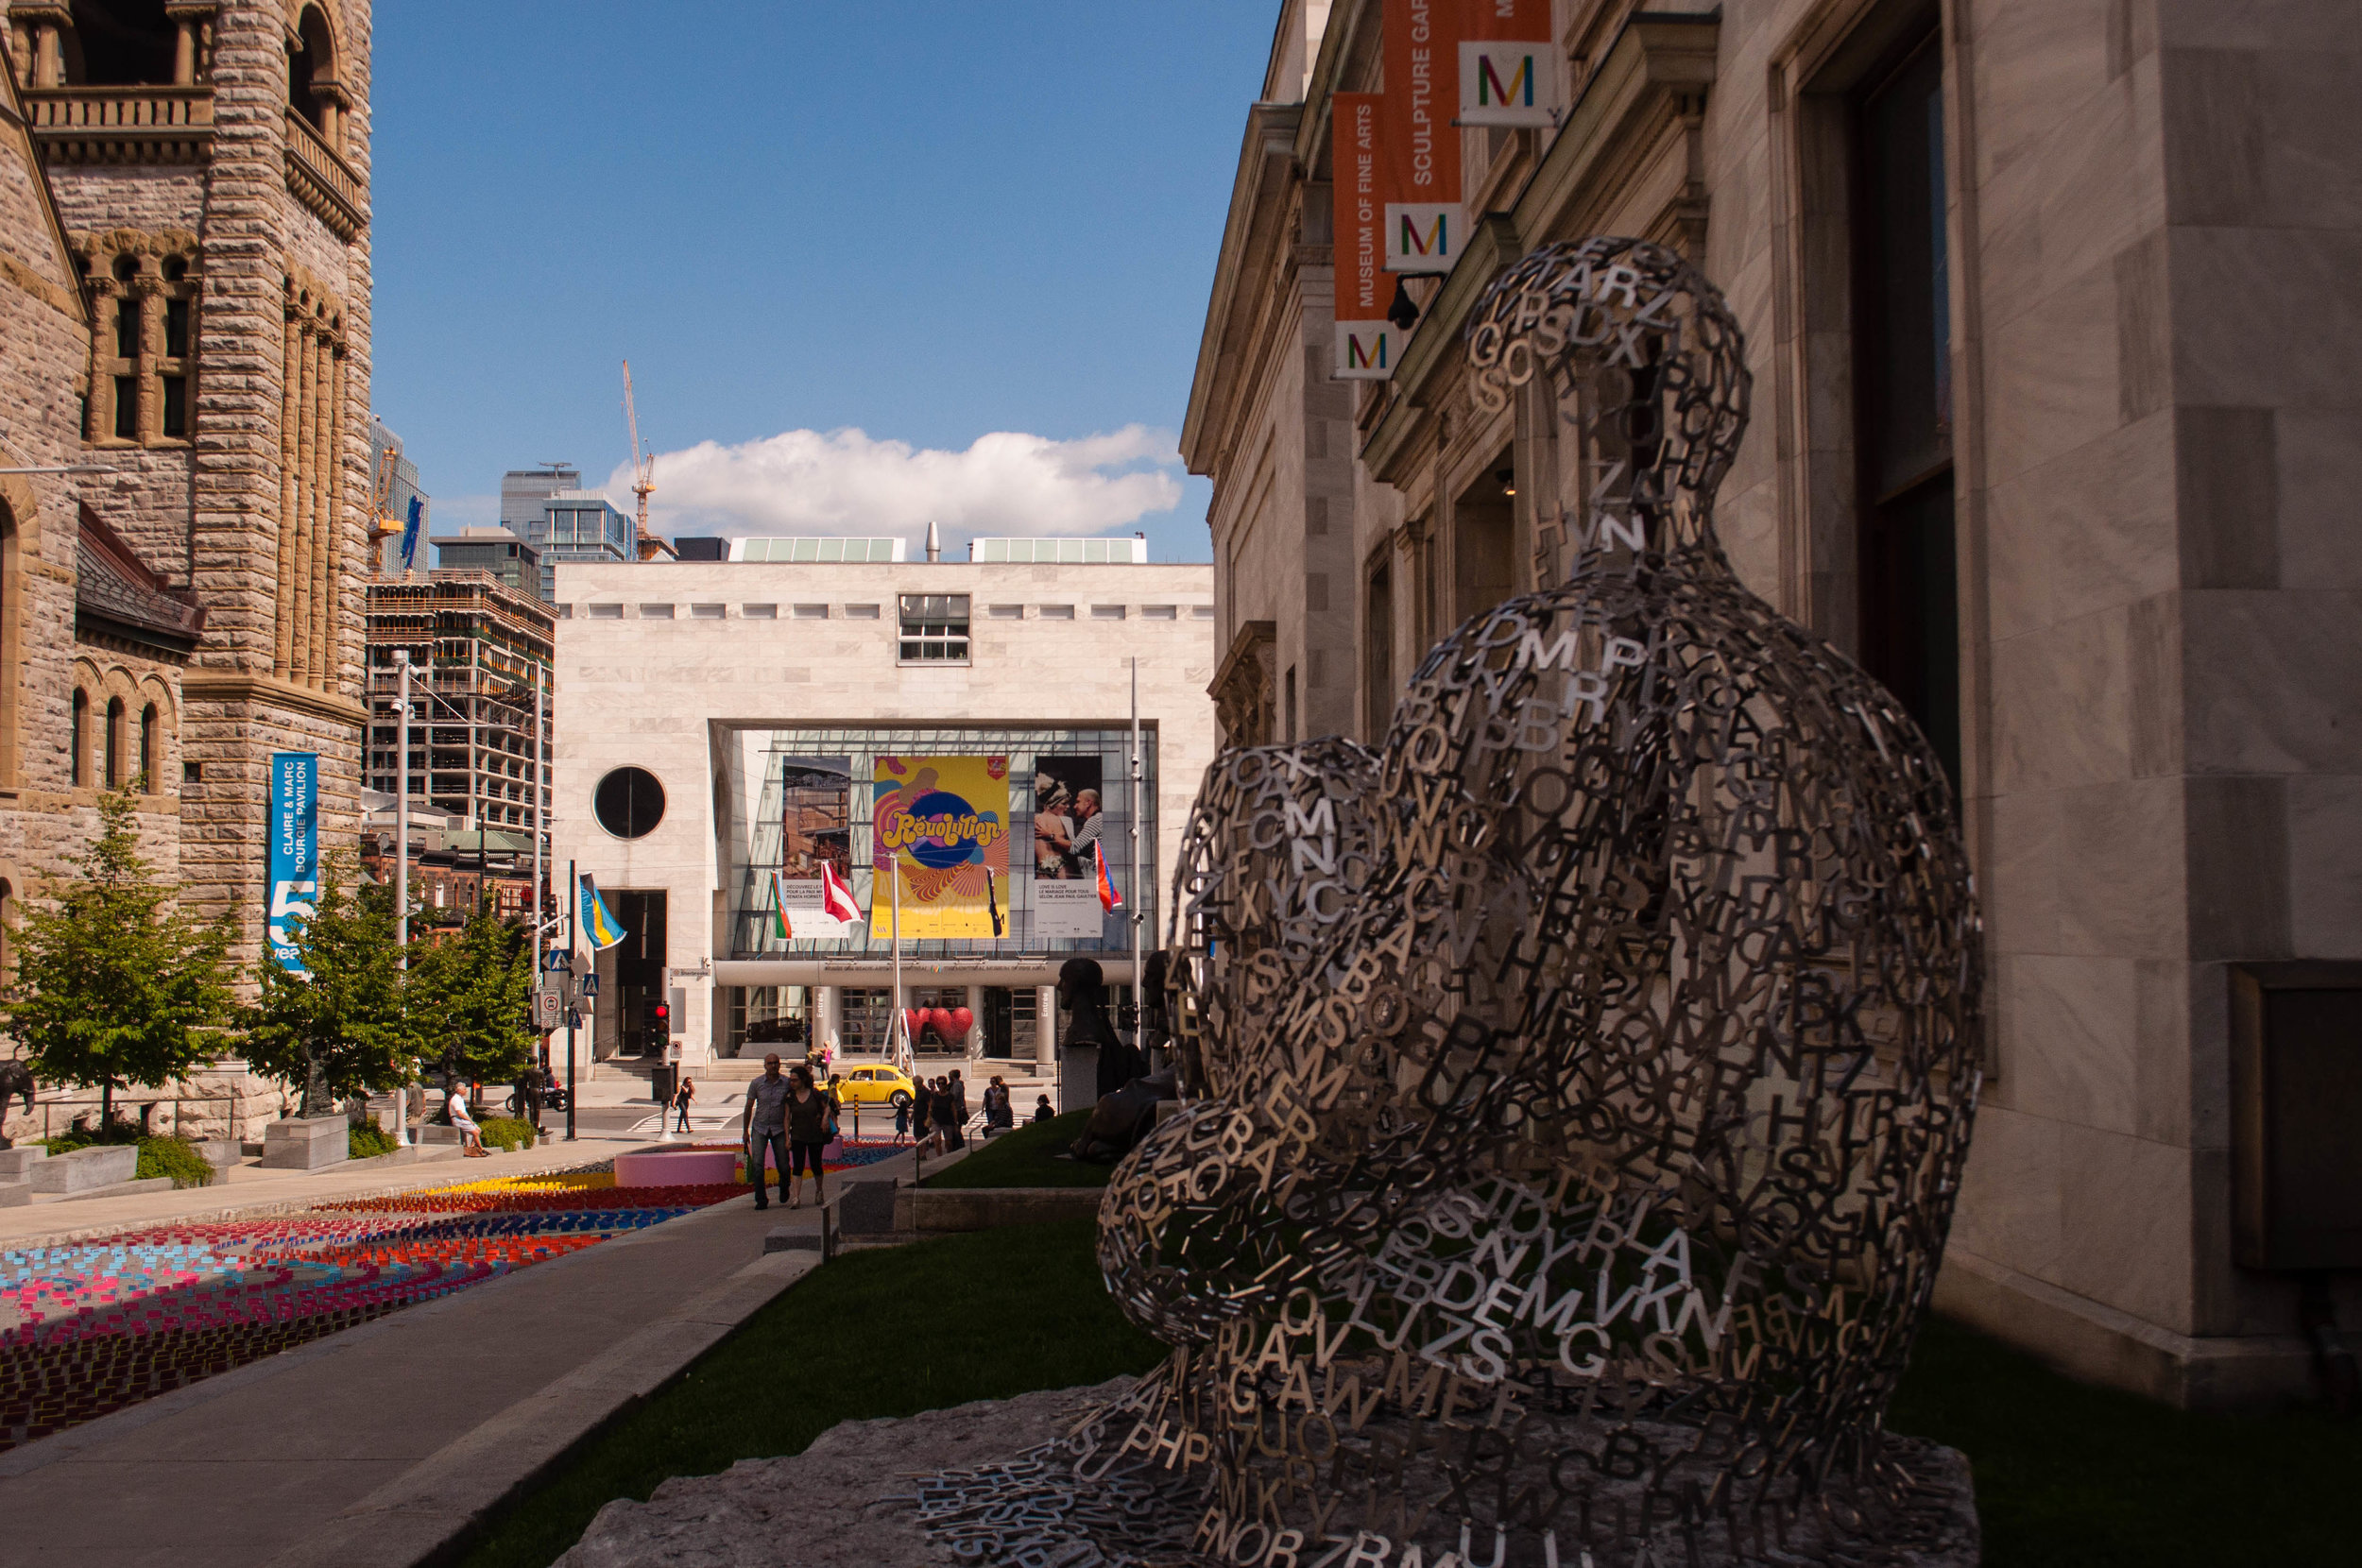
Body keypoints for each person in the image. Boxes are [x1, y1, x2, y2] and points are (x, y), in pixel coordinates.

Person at [742, 1052, 793, 1210]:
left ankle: (784, 1187)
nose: (773, 1066)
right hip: (760, 1127)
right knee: (758, 1164)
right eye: (770, 1063)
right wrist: (745, 1131)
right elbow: (749, 1106)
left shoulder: (786, 1083)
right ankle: (761, 1200)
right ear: (765, 1066)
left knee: (784, 1165)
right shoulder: (757, 1083)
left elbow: (793, 1104)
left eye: (776, 1063)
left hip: (779, 1128)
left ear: (779, 1064)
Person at [782, 1065, 838, 1209]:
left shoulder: (814, 1094)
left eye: (795, 1080)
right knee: (798, 1166)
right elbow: (787, 1118)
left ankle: (819, 1191)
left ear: (803, 1080)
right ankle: (796, 1197)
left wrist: (825, 1118)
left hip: (815, 1134)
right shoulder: (790, 1097)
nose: (792, 1083)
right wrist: (787, 1138)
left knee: (816, 1165)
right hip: (798, 1135)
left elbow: (827, 1106)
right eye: (791, 1080)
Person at [447, 1084, 488, 1157]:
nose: (466, 1091)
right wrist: (469, 1120)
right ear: (459, 1090)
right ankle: (481, 1149)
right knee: (475, 1132)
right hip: (458, 1119)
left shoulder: (460, 1098)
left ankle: (472, 1147)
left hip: (463, 1119)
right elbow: (459, 1113)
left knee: (478, 1130)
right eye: (464, 1089)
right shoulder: (456, 1099)